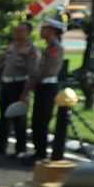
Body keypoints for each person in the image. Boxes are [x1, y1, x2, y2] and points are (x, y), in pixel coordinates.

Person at [0, 27, 39, 159]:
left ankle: (20, 148)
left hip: (20, 84)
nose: (16, 33)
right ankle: (1, 146)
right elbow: (3, 62)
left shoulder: (31, 49)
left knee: (19, 118)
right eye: (15, 31)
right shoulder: (11, 46)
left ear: (27, 33)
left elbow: (32, 72)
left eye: (20, 31)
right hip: (7, 83)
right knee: (4, 116)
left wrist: (26, 92)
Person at [27, 19, 67, 158]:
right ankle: (38, 151)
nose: (42, 31)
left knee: (42, 121)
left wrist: (35, 77)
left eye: (45, 29)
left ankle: (41, 153)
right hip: (41, 85)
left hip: (48, 86)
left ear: (52, 31)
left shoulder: (56, 48)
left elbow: (49, 70)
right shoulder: (48, 47)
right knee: (36, 120)